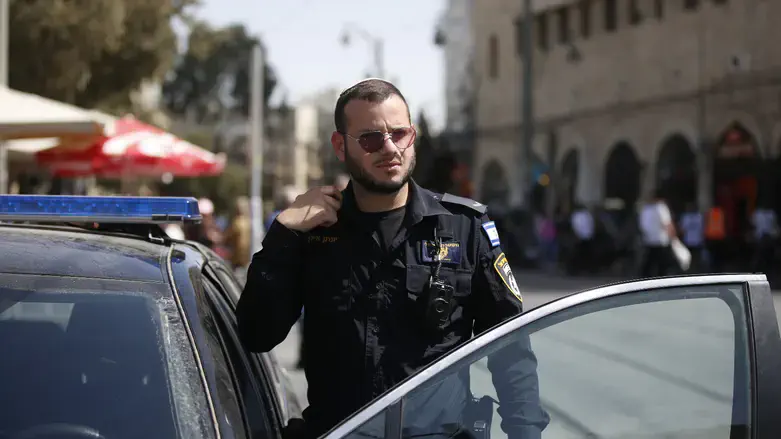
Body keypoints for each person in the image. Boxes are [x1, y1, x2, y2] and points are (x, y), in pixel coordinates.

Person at [237, 78, 549, 439]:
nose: (389, 148)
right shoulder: (313, 233)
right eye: (370, 139)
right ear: (341, 146)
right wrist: (283, 234)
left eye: (399, 134)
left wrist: (526, 434)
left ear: (412, 136)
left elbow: (510, 348)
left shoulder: (464, 227)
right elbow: (256, 334)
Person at [639, 190, 676, 277]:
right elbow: (667, 224)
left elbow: (642, 225)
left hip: (648, 240)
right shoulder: (661, 207)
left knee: (649, 262)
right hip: (661, 240)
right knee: (663, 263)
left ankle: (644, 278)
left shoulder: (645, 209)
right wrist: (673, 236)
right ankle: (661, 279)